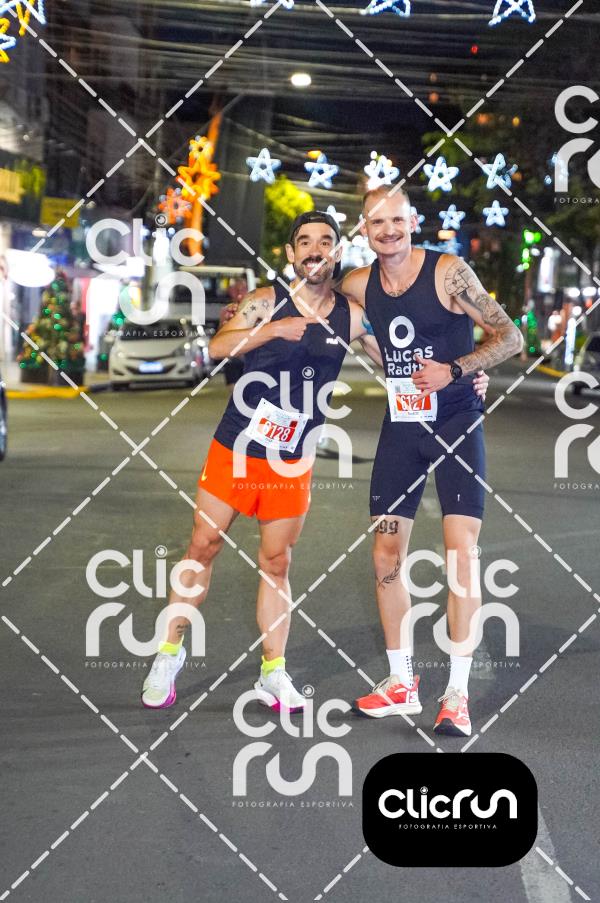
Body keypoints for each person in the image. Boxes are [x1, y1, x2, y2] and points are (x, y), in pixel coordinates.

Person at [141, 211, 370, 711]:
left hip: (292, 459)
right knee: (202, 547)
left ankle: (273, 672)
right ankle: (168, 655)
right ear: (291, 253)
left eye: (325, 242)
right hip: (237, 448)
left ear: (337, 253)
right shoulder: (265, 301)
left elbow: (397, 359)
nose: (314, 250)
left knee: (276, 563)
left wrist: (460, 374)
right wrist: (271, 330)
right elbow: (219, 346)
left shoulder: (351, 315)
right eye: (304, 242)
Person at [342, 185, 523, 737]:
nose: (388, 231)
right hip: (402, 426)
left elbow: (510, 336)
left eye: (397, 220)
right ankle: (401, 682)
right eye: (377, 223)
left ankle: (457, 695)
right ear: (364, 229)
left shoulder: (448, 273)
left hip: (456, 422)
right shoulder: (357, 284)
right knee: (385, 551)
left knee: (461, 553)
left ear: (412, 221)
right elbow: (320, 307)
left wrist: (459, 369)